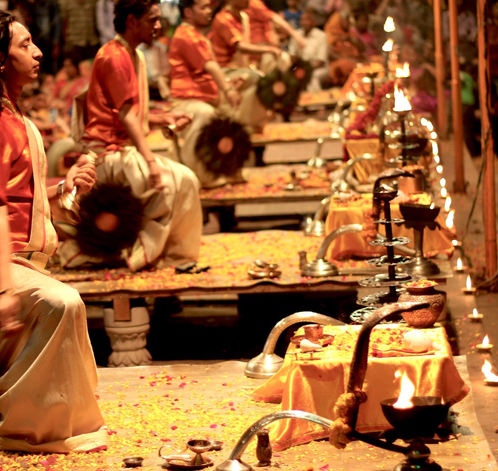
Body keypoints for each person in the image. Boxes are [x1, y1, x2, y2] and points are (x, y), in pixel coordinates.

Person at [0, 10, 107, 453]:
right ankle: (18, 426)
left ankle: (50, 420)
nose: (37, 52)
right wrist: (4, 290)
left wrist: (61, 188)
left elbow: (8, 195)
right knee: (62, 302)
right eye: (25, 44)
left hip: (14, 259)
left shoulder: (11, 115)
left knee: (60, 306)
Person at [68, 0, 202, 272]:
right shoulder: (114, 56)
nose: (159, 26)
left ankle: (178, 257)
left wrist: (164, 118)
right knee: (168, 184)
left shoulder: (132, 53)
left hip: (121, 148)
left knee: (185, 180)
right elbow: (127, 116)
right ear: (131, 22)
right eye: (152, 20)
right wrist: (151, 162)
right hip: (107, 154)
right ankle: (141, 259)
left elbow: (127, 112)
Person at [169, 0, 265, 187]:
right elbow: (210, 66)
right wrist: (228, 89)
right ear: (188, 12)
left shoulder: (197, 34)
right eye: (203, 8)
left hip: (209, 96)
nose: (208, 11)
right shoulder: (186, 34)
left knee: (235, 117)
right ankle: (201, 176)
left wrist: (228, 84)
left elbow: (204, 73)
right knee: (207, 114)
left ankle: (229, 169)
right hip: (188, 101)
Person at [288, 9, 328, 92]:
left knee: (312, 76)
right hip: (300, 67)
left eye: (307, 19)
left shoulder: (321, 36)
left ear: (314, 22)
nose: (304, 22)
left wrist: (306, 70)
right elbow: (292, 55)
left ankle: (317, 103)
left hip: (318, 68)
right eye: (302, 20)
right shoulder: (296, 34)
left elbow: (321, 61)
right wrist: (297, 67)